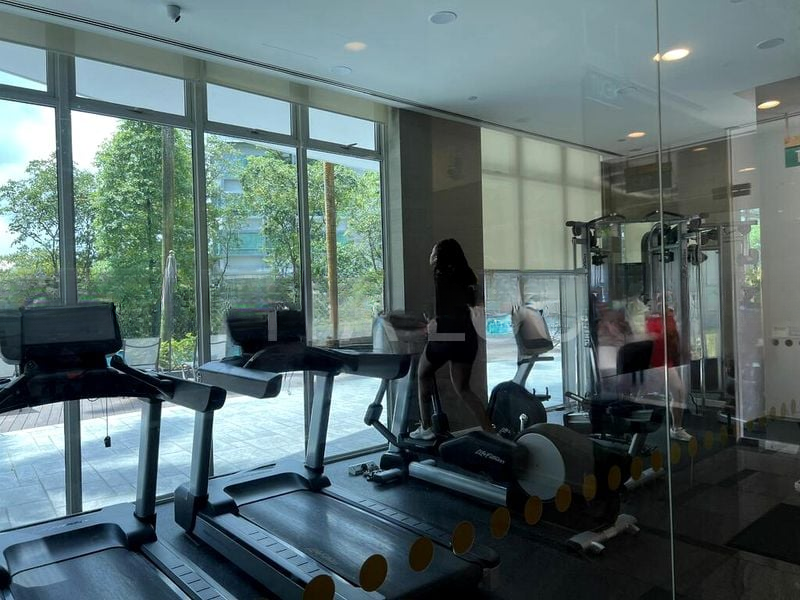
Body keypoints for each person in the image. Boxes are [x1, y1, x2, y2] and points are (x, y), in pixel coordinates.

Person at [410, 239, 493, 440]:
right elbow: (471, 306)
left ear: (440, 256)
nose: (431, 256)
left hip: (448, 335)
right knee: (463, 389)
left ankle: (426, 427)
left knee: (423, 374)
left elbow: (448, 310)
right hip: (467, 337)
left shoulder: (441, 274)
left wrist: (434, 325)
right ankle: (490, 431)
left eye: (433, 252)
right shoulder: (469, 276)